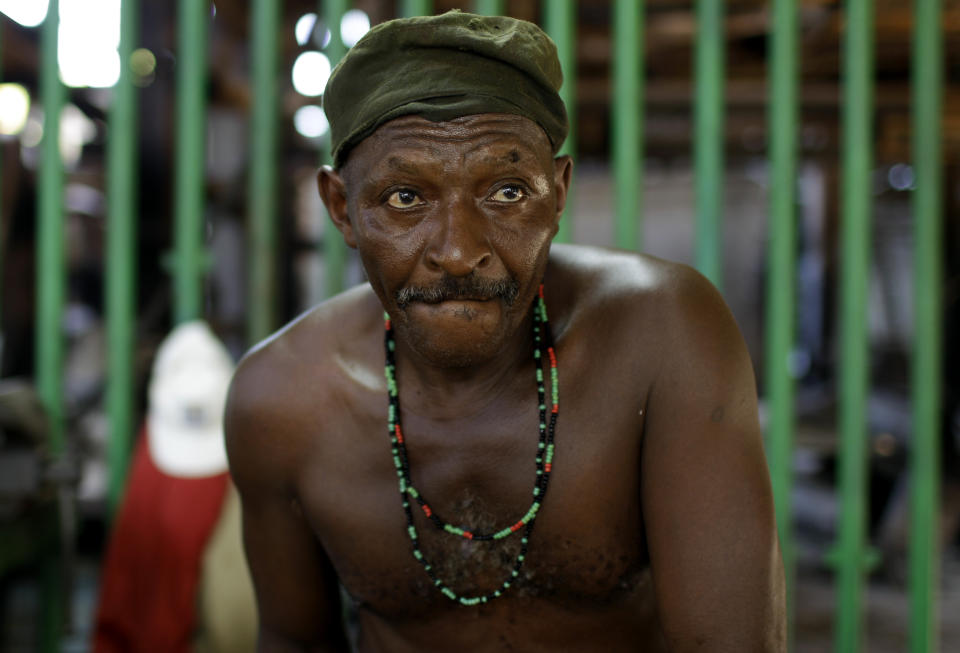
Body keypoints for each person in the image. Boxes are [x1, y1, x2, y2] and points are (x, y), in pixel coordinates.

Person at [226, 11, 786, 652]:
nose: (459, 251)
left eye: (508, 190)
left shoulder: (663, 334)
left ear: (559, 193)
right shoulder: (281, 399)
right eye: (406, 198)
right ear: (341, 209)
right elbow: (293, 640)